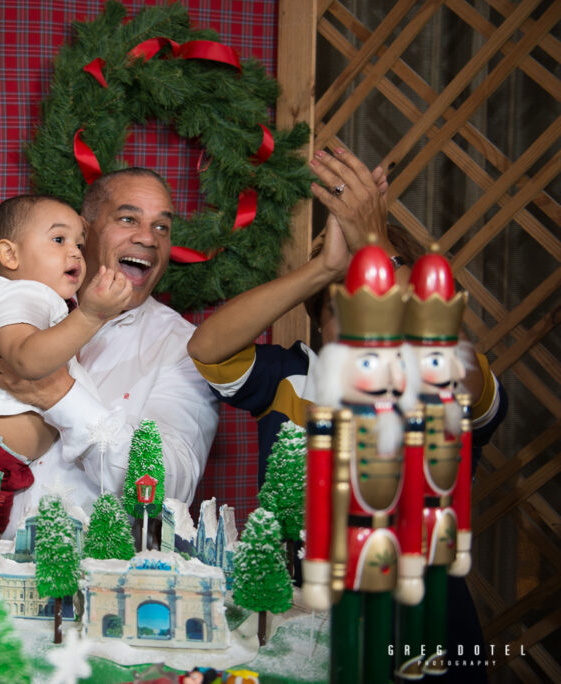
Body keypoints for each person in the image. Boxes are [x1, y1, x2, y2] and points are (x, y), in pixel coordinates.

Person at [186, 148, 505, 683]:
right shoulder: (293, 378)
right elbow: (209, 349)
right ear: (320, 326)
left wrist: (373, 244)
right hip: (299, 625)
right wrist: (327, 267)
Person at [0, 169, 220, 541]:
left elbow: (170, 486)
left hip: (90, 576)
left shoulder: (183, 346)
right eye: (128, 219)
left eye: (162, 228)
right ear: (86, 231)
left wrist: (60, 395)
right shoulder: (11, 300)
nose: (148, 238)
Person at [0, 194, 132, 531]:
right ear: (10, 254)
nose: (76, 251)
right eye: (59, 240)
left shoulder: (36, 298)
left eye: (79, 242)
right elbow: (25, 361)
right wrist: (92, 316)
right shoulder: (19, 295)